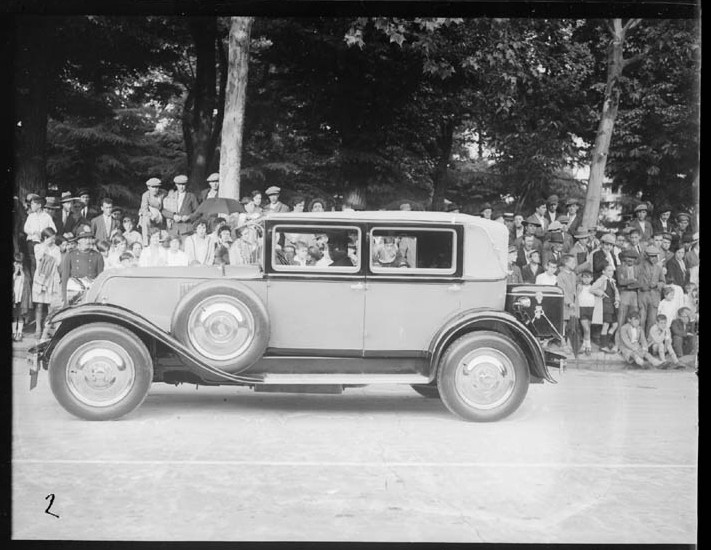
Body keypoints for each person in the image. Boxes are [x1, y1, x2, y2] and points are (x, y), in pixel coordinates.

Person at [59, 230, 103, 305]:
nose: (88, 241)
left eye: (90, 238)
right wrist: (64, 295)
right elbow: (65, 276)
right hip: (73, 289)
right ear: (79, 241)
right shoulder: (70, 255)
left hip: (90, 290)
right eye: (85, 239)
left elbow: (100, 277)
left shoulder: (98, 256)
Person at [24, 194, 57, 277]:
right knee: (33, 263)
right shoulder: (30, 216)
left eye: (32, 204)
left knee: (41, 263)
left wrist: (44, 233)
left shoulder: (47, 217)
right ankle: (33, 284)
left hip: (43, 243)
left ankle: (40, 282)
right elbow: (25, 229)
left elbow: (54, 230)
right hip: (32, 243)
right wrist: (34, 232)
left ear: (39, 205)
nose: (31, 206)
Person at [591, 262, 619, 353]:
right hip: (605, 305)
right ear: (603, 271)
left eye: (612, 271)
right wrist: (601, 293)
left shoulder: (612, 281)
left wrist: (617, 300)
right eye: (609, 270)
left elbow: (616, 293)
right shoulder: (602, 280)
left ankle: (605, 342)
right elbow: (592, 289)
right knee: (606, 325)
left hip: (612, 305)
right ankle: (603, 345)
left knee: (615, 325)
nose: (611, 272)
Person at [615, 249, 640, 347]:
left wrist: (628, 283)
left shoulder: (637, 269)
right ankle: (617, 343)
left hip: (634, 295)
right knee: (621, 319)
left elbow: (640, 283)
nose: (630, 260)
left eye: (632, 258)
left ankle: (630, 342)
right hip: (624, 294)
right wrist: (632, 281)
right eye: (628, 258)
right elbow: (620, 282)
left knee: (633, 319)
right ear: (624, 259)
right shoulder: (620, 268)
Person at [557, 255, 578, 351]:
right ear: (566, 263)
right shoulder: (560, 275)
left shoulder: (573, 275)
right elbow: (562, 290)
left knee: (571, 323)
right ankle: (562, 342)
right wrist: (569, 302)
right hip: (565, 303)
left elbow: (574, 289)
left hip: (573, 303)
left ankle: (569, 342)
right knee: (564, 323)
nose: (574, 264)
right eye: (572, 262)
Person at [139, 178, 166, 245]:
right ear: (148, 187)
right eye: (152, 187)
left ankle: (160, 242)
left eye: (157, 187)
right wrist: (150, 215)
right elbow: (144, 208)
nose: (155, 189)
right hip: (150, 214)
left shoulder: (163, 193)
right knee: (145, 220)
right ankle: (146, 243)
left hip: (160, 215)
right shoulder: (146, 195)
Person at [13, 252, 32, 341]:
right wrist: (16, 272)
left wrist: (22, 272)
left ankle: (19, 332)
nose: (18, 265)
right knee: (13, 315)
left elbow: (27, 280)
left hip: (21, 296)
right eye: (17, 263)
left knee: (20, 315)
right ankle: (13, 332)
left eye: (20, 263)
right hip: (14, 297)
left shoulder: (25, 270)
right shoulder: (13, 269)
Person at [576, 270, 596, 355]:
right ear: (581, 278)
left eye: (588, 277)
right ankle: (588, 347)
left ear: (592, 278)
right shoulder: (579, 286)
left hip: (592, 308)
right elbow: (576, 297)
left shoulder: (594, 287)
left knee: (588, 329)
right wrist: (578, 291)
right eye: (584, 277)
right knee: (586, 328)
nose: (586, 280)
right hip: (582, 308)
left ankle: (584, 346)